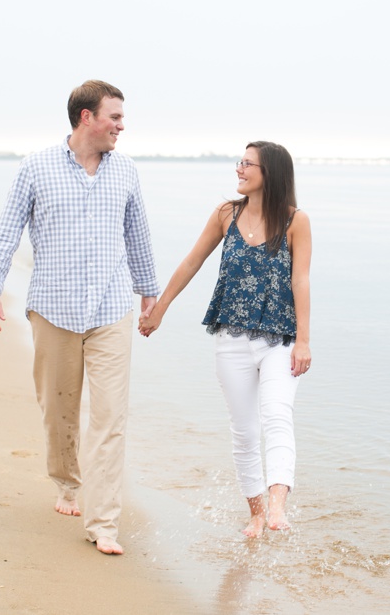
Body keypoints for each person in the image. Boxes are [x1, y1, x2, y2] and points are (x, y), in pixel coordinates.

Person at [0, 80, 159, 555]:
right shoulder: (36, 168)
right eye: (114, 116)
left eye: (122, 117)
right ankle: (67, 484)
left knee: (111, 416)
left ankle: (104, 522)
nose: (121, 125)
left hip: (111, 309)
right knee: (59, 411)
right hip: (53, 307)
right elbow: (5, 232)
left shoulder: (127, 172)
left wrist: (150, 293)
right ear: (86, 117)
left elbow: (138, 236)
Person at [139, 141, 312, 537]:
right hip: (231, 336)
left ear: (270, 174)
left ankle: (277, 507)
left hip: (280, 338)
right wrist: (160, 309)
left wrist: (304, 340)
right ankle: (255, 512)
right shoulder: (225, 214)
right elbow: (192, 261)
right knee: (244, 430)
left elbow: (300, 280)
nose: (239, 169)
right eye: (240, 162)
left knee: (276, 415)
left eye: (248, 164)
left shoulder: (295, 221)